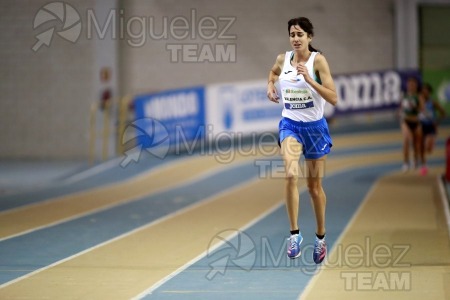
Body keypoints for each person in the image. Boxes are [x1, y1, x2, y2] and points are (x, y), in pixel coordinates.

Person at [266, 17, 337, 264]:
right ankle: (294, 234)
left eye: (300, 34)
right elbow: (273, 72)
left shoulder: (319, 61)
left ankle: (320, 237)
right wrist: (269, 85)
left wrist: (310, 80)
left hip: (315, 129)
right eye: (292, 34)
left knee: (314, 188)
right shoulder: (281, 59)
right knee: (290, 174)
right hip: (290, 125)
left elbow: (334, 98)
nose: (295, 39)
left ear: (310, 37)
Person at [418, 82, 446, 175]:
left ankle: (431, 144)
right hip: (421, 125)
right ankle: (423, 165)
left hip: (431, 126)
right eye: (423, 91)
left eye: (426, 91)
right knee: (421, 146)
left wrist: (437, 122)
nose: (424, 92)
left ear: (429, 92)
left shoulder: (433, 102)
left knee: (428, 149)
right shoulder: (418, 102)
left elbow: (443, 113)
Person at [399, 76, 423, 172]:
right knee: (406, 141)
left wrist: (414, 107)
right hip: (406, 121)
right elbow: (401, 109)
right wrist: (400, 113)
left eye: (413, 84)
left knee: (416, 144)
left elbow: (422, 109)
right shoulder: (404, 96)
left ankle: (415, 160)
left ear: (416, 86)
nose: (411, 86)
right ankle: (405, 163)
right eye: (409, 84)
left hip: (416, 122)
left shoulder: (418, 96)